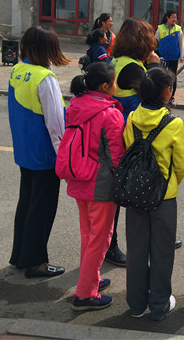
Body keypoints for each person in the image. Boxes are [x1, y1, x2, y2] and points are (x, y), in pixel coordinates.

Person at [124, 67, 184, 320]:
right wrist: (171, 184)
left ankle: (136, 304)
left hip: (135, 193)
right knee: (162, 251)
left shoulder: (131, 118)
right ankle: (159, 304)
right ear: (167, 92)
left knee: (136, 249)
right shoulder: (173, 124)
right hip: (164, 197)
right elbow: (181, 164)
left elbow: (128, 149)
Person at [62, 63, 126, 311]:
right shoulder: (110, 114)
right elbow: (116, 156)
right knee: (100, 239)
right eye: (114, 82)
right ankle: (84, 295)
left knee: (88, 235)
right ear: (105, 85)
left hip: (78, 177)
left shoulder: (75, 106)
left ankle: (91, 279)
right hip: (100, 184)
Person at [8, 26, 69, 278]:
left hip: (25, 151)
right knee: (42, 210)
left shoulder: (17, 70)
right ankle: (36, 262)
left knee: (26, 204)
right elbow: (55, 125)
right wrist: (64, 159)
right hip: (45, 155)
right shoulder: (45, 79)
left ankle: (20, 255)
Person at [107, 18, 161, 267]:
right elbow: (157, 97)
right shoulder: (133, 69)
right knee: (134, 190)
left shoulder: (117, 61)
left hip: (120, 133)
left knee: (123, 191)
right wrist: (156, 67)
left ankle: (114, 243)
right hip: (132, 138)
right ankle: (112, 246)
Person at [155, 11, 184, 104]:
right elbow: (155, 42)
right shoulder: (160, 28)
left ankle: (171, 96)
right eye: (173, 17)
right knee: (161, 76)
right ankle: (160, 95)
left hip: (173, 57)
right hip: (162, 57)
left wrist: (181, 55)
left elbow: (181, 43)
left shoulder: (178, 29)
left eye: (176, 17)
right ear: (167, 18)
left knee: (173, 77)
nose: (175, 19)